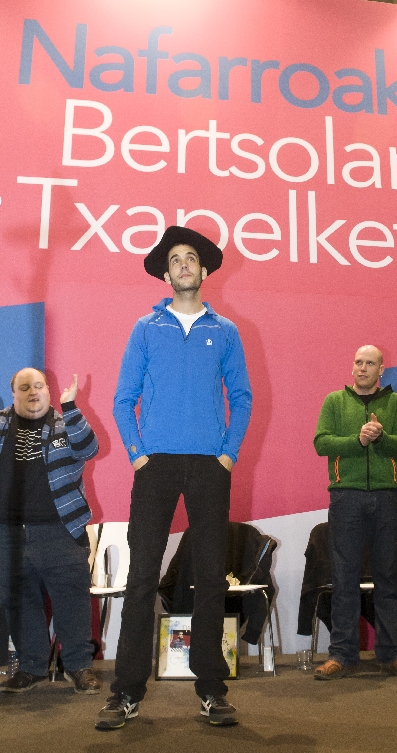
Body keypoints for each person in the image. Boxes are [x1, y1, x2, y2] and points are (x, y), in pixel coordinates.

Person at [96, 226, 252, 730]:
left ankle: (211, 691)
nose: (183, 265)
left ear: (203, 271)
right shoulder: (146, 328)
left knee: (209, 578)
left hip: (209, 466)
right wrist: (138, 455)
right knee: (142, 578)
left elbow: (241, 397)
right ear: (166, 276)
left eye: (190, 258)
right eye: (175, 260)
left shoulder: (225, 331)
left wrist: (227, 455)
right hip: (156, 466)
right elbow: (123, 399)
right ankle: (125, 693)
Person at [313, 345, 397, 679]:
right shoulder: (334, 401)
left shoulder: (396, 402)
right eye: (358, 362)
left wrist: (381, 437)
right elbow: (321, 443)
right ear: (352, 367)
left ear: (381, 369)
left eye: (370, 363)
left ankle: (393, 654)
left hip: (387, 497)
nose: (362, 367)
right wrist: (357, 440)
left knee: (388, 577)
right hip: (345, 497)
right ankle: (341, 655)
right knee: (344, 578)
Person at [0, 369, 100, 694]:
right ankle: (31, 667)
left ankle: (79, 666)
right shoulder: (1, 425)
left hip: (61, 531)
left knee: (71, 601)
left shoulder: (64, 424)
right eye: (24, 387)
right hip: (10, 535)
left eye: (38, 386)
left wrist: (70, 406)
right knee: (20, 603)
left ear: (48, 390)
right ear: (14, 393)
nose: (32, 392)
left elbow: (89, 448)